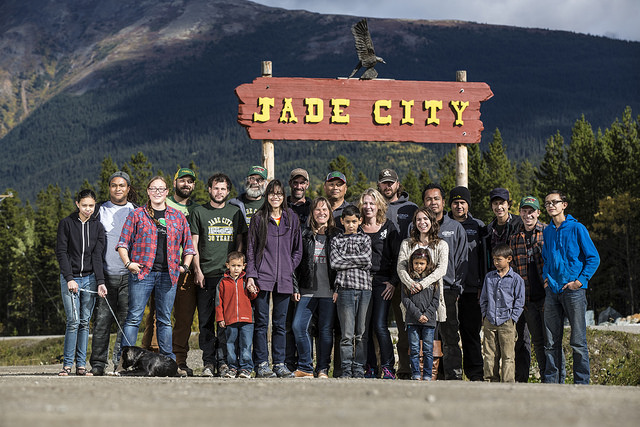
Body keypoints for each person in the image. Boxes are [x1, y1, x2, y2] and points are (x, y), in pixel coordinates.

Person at [116, 176, 195, 360]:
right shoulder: (137, 215)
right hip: (142, 273)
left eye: (161, 189)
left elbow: (189, 246)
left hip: (169, 274)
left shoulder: (178, 217)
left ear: (167, 192)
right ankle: (126, 360)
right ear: (148, 192)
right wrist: (128, 263)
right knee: (134, 317)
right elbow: (122, 243)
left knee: (164, 319)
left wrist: (184, 266)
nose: (157, 192)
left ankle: (167, 359)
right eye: (153, 189)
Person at [141, 167, 198, 376]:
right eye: (182, 180)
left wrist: (188, 265)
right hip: (159, 268)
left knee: (183, 317)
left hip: (182, 269)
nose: (186, 184)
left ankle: (179, 360)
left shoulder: (195, 210)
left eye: (190, 182)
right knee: (157, 316)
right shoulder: (162, 204)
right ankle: (152, 356)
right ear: (173, 184)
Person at [190, 173, 247, 377]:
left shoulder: (235, 212)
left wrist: (236, 270)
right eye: (216, 188)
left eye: (223, 189)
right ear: (209, 189)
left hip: (227, 277)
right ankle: (208, 362)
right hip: (206, 274)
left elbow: (240, 243)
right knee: (206, 321)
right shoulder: (199, 212)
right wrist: (197, 270)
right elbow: (193, 244)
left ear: (228, 191)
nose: (219, 192)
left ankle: (223, 362)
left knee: (225, 323)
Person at [542, 190, 600, 384]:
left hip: (574, 291)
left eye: (555, 202)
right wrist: (546, 278)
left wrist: (580, 281)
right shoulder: (547, 231)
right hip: (553, 291)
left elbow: (593, 258)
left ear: (564, 205)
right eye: (548, 203)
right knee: (550, 342)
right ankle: (553, 383)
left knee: (577, 341)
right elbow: (546, 259)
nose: (551, 206)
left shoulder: (577, 228)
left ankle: (581, 383)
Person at [247, 179, 303, 378]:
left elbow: (298, 250)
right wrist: (252, 276)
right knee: (261, 323)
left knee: (280, 324)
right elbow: (251, 250)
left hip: (285, 279)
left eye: (279, 193)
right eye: (272, 193)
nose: (276, 197)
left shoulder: (291, 218)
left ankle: (279, 363)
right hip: (262, 278)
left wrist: (289, 267)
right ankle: (261, 364)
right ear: (266, 195)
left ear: (283, 196)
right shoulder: (259, 218)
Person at [90, 172, 136, 376]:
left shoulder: (136, 210)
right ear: (109, 188)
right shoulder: (99, 210)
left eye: (122, 185)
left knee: (126, 323)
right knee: (102, 321)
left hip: (129, 276)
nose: (118, 189)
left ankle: (120, 362)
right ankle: (98, 364)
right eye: (114, 185)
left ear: (128, 189)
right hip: (105, 276)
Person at [56, 189, 106, 376]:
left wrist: (100, 282)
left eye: (91, 206)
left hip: (90, 279)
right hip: (71, 278)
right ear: (77, 204)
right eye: (84, 205)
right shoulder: (66, 224)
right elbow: (62, 253)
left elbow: (97, 256)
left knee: (85, 322)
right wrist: (69, 278)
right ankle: (67, 364)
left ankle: (81, 365)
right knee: (73, 321)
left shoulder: (98, 227)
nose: (88, 209)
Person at [397, 207, 449, 380]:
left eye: (425, 219)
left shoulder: (441, 245)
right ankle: (414, 374)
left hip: (432, 299)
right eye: (418, 219)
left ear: (432, 221)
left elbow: (442, 269)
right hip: (410, 297)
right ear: (414, 223)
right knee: (411, 341)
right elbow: (401, 267)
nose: (422, 222)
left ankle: (430, 375)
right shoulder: (407, 244)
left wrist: (423, 283)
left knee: (431, 342)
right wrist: (412, 284)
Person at [423, 183, 467, 380]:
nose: (433, 202)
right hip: (423, 290)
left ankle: (454, 375)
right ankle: (429, 375)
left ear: (442, 202)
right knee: (428, 335)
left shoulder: (455, 228)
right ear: (424, 202)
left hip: (448, 289)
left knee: (450, 336)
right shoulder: (419, 225)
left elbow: (462, 261)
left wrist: (458, 289)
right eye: (429, 199)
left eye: (436, 199)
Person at [485, 187, 530, 382]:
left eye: (502, 203)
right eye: (495, 203)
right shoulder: (489, 229)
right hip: (495, 286)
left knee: (520, 339)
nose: (498, 207)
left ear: (508, 204)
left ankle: (519, 379)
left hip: (518, 284)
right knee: (494, 347)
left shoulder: (519, 224)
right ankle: (493, 379)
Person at [377, 168, 417, 379]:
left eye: (391, 182)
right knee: (377, 324)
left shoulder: (411, 208)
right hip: (381, 275)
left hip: (405, 274)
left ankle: (405, 368)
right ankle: (377, 367)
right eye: (384, 183)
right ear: (379, 185)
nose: (388, 186)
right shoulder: (374, 205)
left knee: (404, 326)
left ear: (398, 184)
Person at [292, 197, 337, 378]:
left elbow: (342, 264)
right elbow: (295, 263)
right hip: (307, 290)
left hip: (329, 292)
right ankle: (305, 367)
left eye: (325, 209)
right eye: (318, 209)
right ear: (312, 213)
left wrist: (338, 288)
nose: (321, 213)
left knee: (325, 330)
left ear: (330, 213)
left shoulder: (336, 234)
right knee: (298, 326)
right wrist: (295, 287)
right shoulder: (304, 235)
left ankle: (323, 369)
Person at [509, 196, 552, 382]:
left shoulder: (548, 232)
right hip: (528, 300)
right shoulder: (515, 238)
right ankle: (545, 379)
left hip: (548, 297)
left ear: (538, 213)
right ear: (520, 213)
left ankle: (555, 378)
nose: (528, 215)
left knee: (551, 341)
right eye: (524, 211)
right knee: (538, 342)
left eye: (531, 211)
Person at [359, 188, 399, 379]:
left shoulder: (388, 227)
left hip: (383, 283)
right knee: (364, 327)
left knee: (380, 325)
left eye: (372, 203)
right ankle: (370, 367)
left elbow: (398, 257)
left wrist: (393, 282)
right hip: (362, 282)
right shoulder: (357, 227)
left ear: (379, 206)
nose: (368, 207)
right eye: (365, 203)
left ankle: (388, 366)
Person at [330, 205, 372, 378]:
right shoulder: (336, 240)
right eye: (347, 222)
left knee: (361, 333)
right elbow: (334, 263)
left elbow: (367, 259)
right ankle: (346, 368)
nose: (351, 225)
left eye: (354, 221)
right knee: (347, 334)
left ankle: (359, 367)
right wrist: (357, 262)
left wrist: (345, 260)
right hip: (345, 289)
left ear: (360, 221)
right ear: (342, 221)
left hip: (364, 290)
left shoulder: (365, 239)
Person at [448, 186, 485, 381]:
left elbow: (483, 258)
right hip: (448, 288)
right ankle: (450, 374)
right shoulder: (443, 224)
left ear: (468, 205)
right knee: (449, 335)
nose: (459, 206)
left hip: (472, 289)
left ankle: (475, 374)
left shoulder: (478, 226)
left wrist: (482, 286)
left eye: (462, 202)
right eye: (455, 202)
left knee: (471, 334)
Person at [480, 243, 525, 383]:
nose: (496, 262)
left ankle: (507, 382)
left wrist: (513, 319)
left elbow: (519, 301)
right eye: (494, 259)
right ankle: (490, 380)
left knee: (508, 355)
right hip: (490, 320)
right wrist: (484, 315)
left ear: (509, 259)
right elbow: (484, 298)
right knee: (489, 354)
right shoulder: (489, 277)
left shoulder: (516, 279)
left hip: (507, 321)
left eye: (499, 259)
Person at [285, 167, 311, 372]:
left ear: (307, 185)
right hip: (285, 267)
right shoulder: (282, 206)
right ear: (290, 183)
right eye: (296, 182)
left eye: (302, 183)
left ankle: (308, 364)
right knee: (286, 320)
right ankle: (287, 362)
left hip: (308, 269)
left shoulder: (313, 207)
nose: (299, 186)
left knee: (305, 323)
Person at [215, 251, 257, 379]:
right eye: (233, 266)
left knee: (246, 344)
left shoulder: (246, 280)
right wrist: (220, 318)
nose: (236, 269)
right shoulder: (222, 282)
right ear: (227, 265)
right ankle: (232, 367)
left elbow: (253, 295)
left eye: (239, 266)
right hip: (230, 320)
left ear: (244, 266)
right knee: (230, 345)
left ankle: (245, 368)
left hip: (247, 320)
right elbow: (218, 302)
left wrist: (253, 290)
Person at [402, 248, 439, 381]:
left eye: (422, 263)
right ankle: (416, 373)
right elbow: (405, 299)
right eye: (416, 263)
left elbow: (436, 300)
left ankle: (428, 375)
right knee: (414, 349)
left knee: (428, 350)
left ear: (427, 264)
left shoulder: (433, 280)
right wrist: (418, 315)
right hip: (413, 320)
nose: (418, 266)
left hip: (428, 321)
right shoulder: (408, 280)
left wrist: (427, 315)